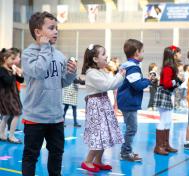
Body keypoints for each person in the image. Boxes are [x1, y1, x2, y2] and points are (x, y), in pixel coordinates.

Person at [21, 11, 77, 176]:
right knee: (31, 156)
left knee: (56, 154)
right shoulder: (28, 54)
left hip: (56, 117)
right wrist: (45, 48)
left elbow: (61, 82)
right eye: (51, 28)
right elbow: (38, 71)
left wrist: (71, 74)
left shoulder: (59, 55)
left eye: (56, 28)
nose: (56, 31)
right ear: (38, 32)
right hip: (35, 117)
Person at [80, 44, 125, 173]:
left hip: (103, 103)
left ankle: (98, 161)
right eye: (103, 54)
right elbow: (107, 85)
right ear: (95, 59)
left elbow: (111, 83)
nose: (107, 57)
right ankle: (88, 161)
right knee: (98, 134)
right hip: (97, 106)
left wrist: (118, 76)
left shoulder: (101, 71)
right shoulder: (91, 73)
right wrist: (120, 75)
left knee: (105, 133)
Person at [117, 39, 152, 161]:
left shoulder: (127, 65)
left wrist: (146, 80)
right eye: (142, 51)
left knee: (130, 128)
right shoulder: (133, 68)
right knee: (132, 128)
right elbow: (137, 85)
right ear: (137, 52)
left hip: (127, 101)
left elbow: (134, 82)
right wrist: (148, 81)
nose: (143, 53)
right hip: (129, 102)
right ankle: (126, 152)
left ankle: (126, 150)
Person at [153, 45, 182, 155]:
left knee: (168, 120)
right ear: (174, 55)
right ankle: (159, 146)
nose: (180, 55)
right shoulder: (168, 68)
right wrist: (177, 81)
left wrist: (176, 81)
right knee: (164, 120)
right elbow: (167, 83)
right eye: (179, 53)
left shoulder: (170, 68)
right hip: (164, 94)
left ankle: (165, 145)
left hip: (167, 94)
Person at [0, 48, 24, 143]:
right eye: (12, 59)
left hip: (13, 95)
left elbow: (21, 80)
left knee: (6, 115)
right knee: (17, 114)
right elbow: (8, 82)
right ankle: (11, 136)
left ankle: (1, 134)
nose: (14, 61)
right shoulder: (2, 70)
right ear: (5, 58)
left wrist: (18, 73)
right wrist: (14, 72)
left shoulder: (10, 68)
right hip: (6, 97)